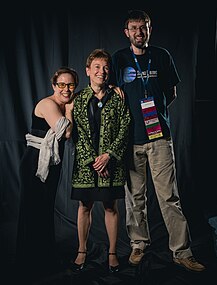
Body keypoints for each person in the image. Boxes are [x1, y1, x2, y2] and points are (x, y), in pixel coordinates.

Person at [109, 9, 206, 272]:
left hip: (159, 137)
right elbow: (114, 95)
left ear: (150, 29)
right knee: (135, 197)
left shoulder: (162, 56)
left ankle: (181, 251)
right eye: (134, 28)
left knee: (169, 197)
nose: (139, 32)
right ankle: (139, 244)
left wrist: (156, 114)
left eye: (144, 27)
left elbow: (171, 92)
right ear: (126, 32)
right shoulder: (118, 59)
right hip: (130, 139)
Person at [70, 48, 131, 273]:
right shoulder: (78, 99)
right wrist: (93, 161)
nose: (102, 72)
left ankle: (112, 253)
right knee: (84, 206)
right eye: (97, 67)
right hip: (86, 166)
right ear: (88, 71)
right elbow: (77, 134)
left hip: (111, 165)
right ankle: (82, 250)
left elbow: (125, 128)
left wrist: (108, 157)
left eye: (106, 68)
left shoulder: (118, 97)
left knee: (110, 207)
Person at [15, 66, 79, 281]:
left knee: (44, 212)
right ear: (54, 85)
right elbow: (66, 132)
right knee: (34, 211)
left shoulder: (62, 102)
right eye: (61, 84)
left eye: (70, 84)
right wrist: (69, 110)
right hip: (35, 164)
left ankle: (44, 258)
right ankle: (31, 263)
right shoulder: (48, 104)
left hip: (51, 164)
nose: (66, 89)